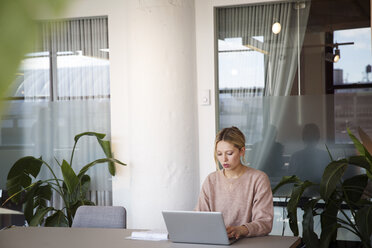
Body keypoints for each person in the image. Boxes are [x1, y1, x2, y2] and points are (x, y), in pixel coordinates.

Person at [195, 126, 273, 239]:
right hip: (215, 242)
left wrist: (241, 229)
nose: (224, 159)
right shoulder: (211, 180)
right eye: (219, 154)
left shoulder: (258, 179)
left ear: (242, 151)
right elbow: (200, 216)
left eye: (229, 153)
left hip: (249, 243)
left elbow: (265, 222)